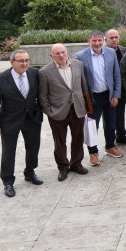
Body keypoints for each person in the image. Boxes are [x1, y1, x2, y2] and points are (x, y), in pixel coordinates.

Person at [0, 50, 43, 197]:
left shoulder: (34, 74)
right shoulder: (0, 79)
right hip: (9, 120)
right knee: (9, 152)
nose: (24, 63)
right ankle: (7, 182)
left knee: (33, 147)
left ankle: (30, 172)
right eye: (20, 61)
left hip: (31, 118)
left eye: (26, 60)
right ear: (12, 62)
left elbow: (40, 94)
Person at [38, 44, 90, 181]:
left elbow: (84, 85)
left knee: (78, 138)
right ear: (51, 56)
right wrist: (49, 111)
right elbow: (43, 95)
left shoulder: (78, 65)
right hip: (58, 112)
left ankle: (76, 164)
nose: (61, 55)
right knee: (59, 142)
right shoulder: (44, 72)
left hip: (77, 109)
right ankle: (63, 167)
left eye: (63, 52)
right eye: (57, 53)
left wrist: (85, 105)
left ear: (67, 52)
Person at [75, 30, 123, 166]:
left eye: (99, 40)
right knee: (92, 126)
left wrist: (115, 94)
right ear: (88, 41)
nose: (97, 43)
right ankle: (93, 152)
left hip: (108, 94)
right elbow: (77, 79)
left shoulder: (110, 53)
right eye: (94, 41)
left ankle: (110, 146)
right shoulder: (80, 56)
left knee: (111, 122)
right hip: (92, 97)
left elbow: (116, 75)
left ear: (103, 41)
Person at [105, 29, 126, 145]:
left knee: (120, 113)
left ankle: (121, 135)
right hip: (108, 90)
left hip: (122, 89)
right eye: (111, 38)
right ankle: (109, 142)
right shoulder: (103, 53)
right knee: (109, 116)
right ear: (106, 40)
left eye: (116, 37)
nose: (114, 40)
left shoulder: (124, 51)